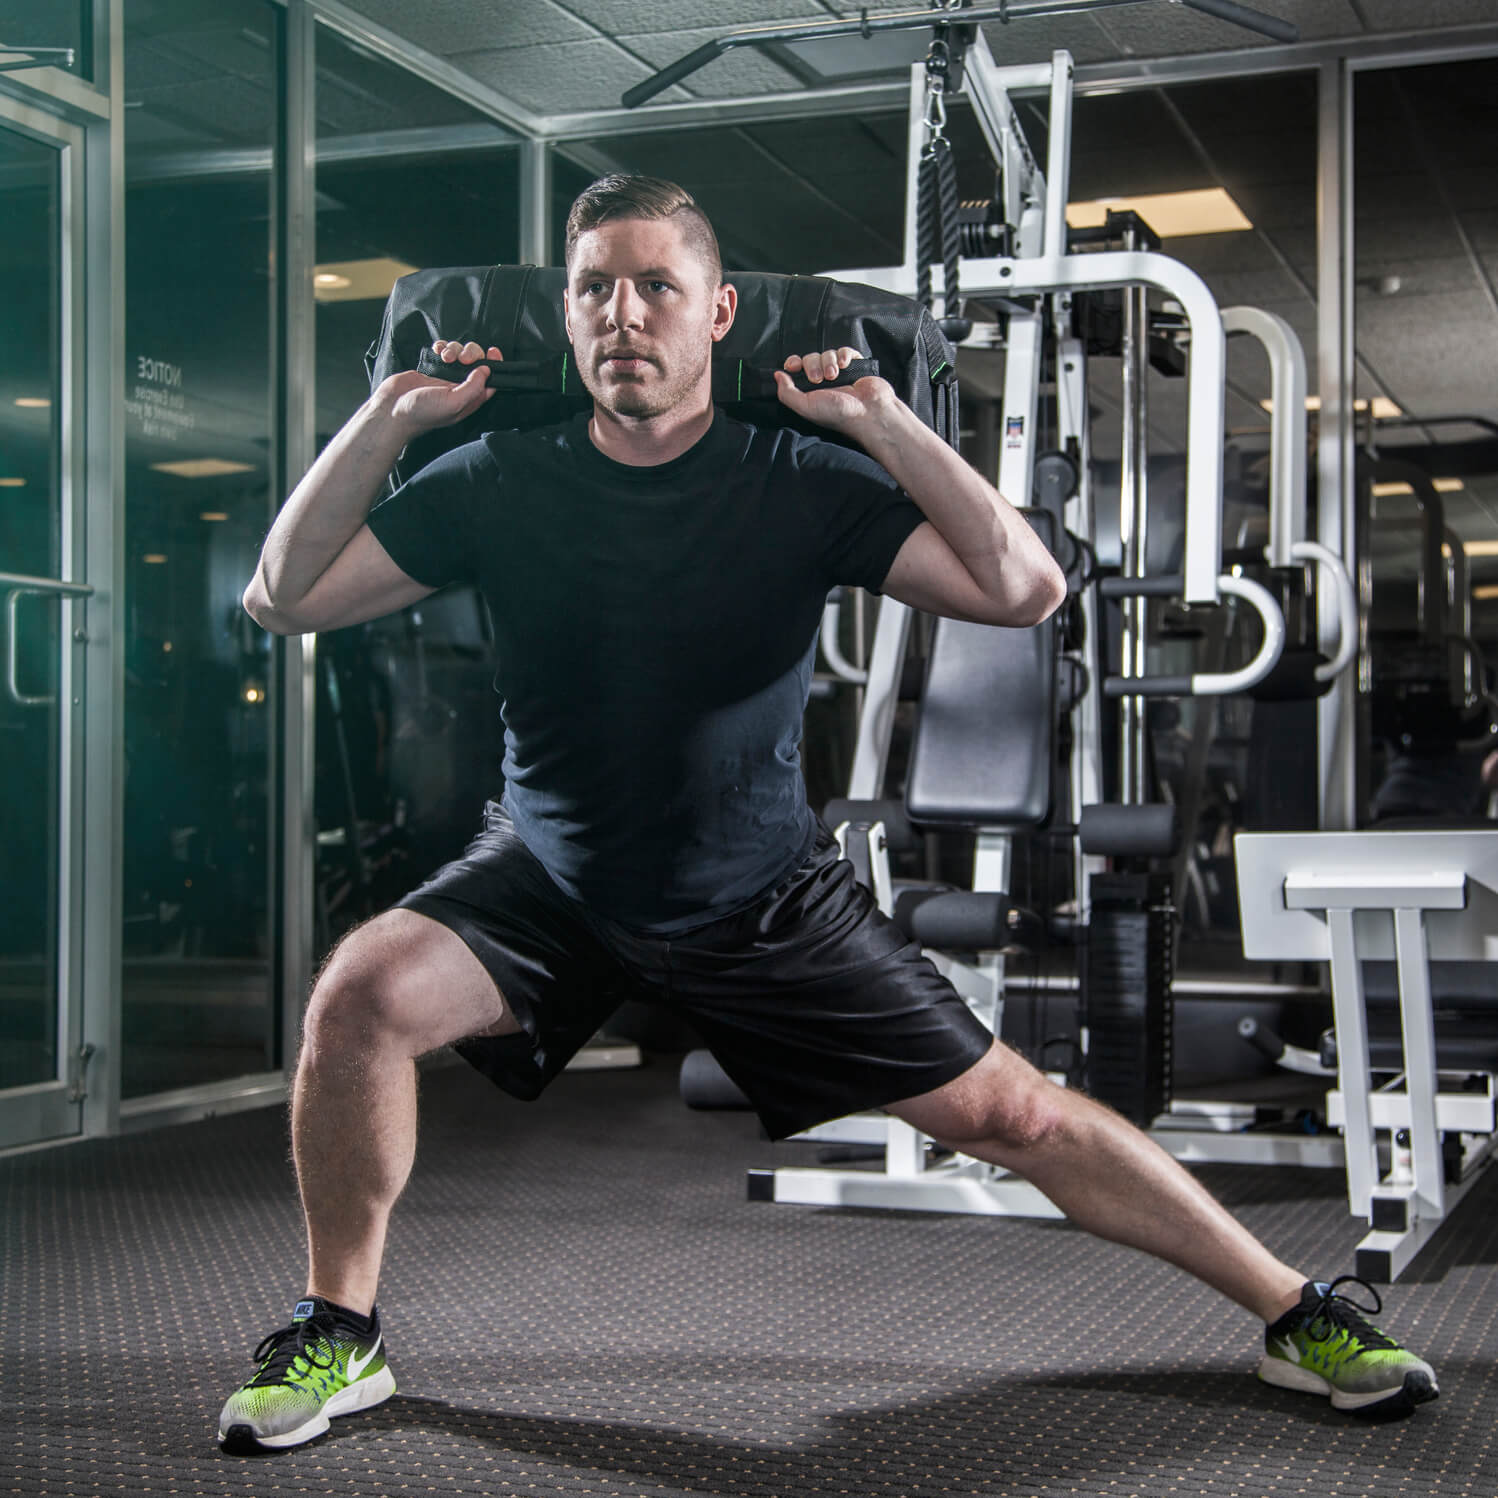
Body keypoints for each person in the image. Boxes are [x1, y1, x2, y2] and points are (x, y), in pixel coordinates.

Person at [221, 174, 1436, 1454]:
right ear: (565, 317)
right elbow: (281, 598)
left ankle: (1300, 1310)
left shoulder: (798, 479)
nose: (622, 315)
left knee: (1013, 1117)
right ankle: (338, 1330)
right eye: (592, 289)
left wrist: (879, 418)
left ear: (718, 315)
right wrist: (385, 413)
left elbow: (1023, 589)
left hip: (760, 892)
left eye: (655, 287)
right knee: (357, 996)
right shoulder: (492, 478)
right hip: (551, 870)